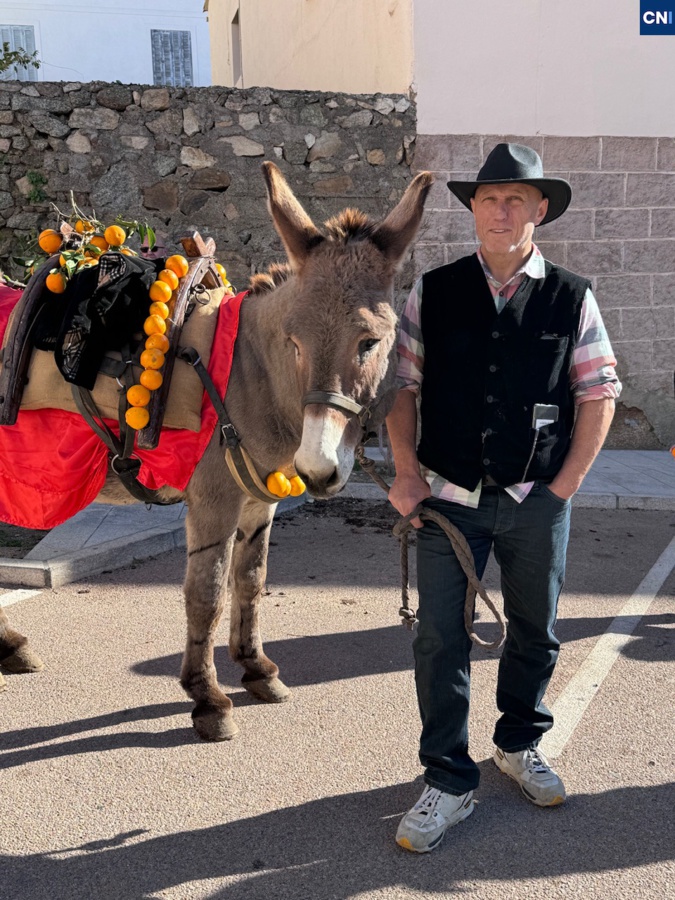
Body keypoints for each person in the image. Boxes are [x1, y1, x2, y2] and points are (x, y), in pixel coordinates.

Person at [386, 143, 621, 853]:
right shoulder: (433, 289)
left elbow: (598, 391)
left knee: (535, 631)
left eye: (515, 199)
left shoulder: (571, 295)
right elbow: (401, 385)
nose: (501, 210)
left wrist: (564, 488)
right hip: (446, 498)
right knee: (438, 637)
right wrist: (404, 470)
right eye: (488, 199)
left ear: (539, 209)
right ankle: (448, 779)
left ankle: (518, 744)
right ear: (472, 210)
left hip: (533, 499)